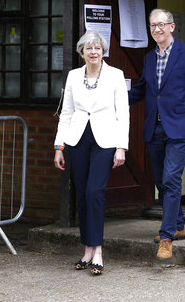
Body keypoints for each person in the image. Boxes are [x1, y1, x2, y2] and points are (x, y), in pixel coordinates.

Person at [128, 8, 185, 261]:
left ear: (172, 27)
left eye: (161, 25)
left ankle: (166, 238)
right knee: (160, 180)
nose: (157, 29)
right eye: (153, 25)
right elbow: (142, 89)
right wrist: (112, 98)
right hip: (154, 127)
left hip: (180, 126)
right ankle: (178, 223)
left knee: (171, 179)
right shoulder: (149, 58)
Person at [54, 30, 129, 275]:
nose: (93, 52)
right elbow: (66, 114)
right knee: (83, 195)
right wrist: (59, 147)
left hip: (105, 141)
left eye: (97, 48)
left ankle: (98, 251)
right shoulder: (74, 76)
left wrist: (121, 147)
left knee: (95, 192)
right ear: (82, 52)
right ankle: (87, 249)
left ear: (103, 51)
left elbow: (123, 114)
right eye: (89, 48)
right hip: (77, 140)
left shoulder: (116, 75)